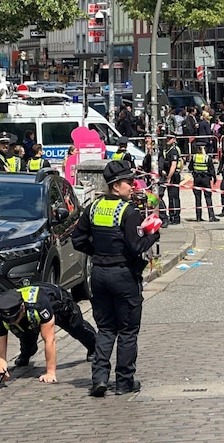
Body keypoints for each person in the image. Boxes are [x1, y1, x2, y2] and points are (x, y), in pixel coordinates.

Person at [71, 160, 160, 397]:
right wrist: (153, 234)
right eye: (128, 183)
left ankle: (99, 379)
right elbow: (135, 246)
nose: (133, 186)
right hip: (123, 275)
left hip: (99, 275)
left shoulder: (93, 207)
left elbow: (78, 240)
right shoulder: (128, 212)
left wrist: (98, 253)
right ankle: (124, 382)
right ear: (116, 185)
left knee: (106, 329)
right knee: (128, 331)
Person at [0, 283, 98, 384]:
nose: (12, 322)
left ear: (22, 307)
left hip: (59, 307)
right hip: (30, 315)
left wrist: (50, 372)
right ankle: (27, 352)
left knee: (77, 329)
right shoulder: (0, 317)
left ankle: (94, 347)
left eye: (14, 318)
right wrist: (1, 370)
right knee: (25, 335)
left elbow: (49, 340)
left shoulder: (38, 303)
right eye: (8, 320)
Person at [189, 143, 220, 222]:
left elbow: (190, 167)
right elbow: (212, 170)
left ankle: (198, 217)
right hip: (205, 179)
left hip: (197, 179)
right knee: (208, 198)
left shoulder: (194, 157)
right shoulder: (207, 158)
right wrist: (214, 178)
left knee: (198, 199)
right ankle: (211, 216)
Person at [159, 133, 181, 226]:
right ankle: (171, 216)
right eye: (167, 138)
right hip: (167, 175)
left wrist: (169, 178)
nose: (168, 140)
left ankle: (175, 217)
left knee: (174, 198)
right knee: (168, 197)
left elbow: (173, 165)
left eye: (170, 138)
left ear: (174, 140)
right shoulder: (167, 150)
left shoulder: (174, 151)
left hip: (173, 176)